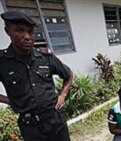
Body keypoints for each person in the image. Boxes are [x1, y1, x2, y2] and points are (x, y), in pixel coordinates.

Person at [0, 11, 73, 141]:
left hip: (55, 121)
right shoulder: (2, 62)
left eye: (30, 32)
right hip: (31, 127)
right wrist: (9, 100)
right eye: (20, 31)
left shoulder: (45, 57)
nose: (27, 37)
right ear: (7, 31)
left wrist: (62, 95)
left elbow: (68, 74)